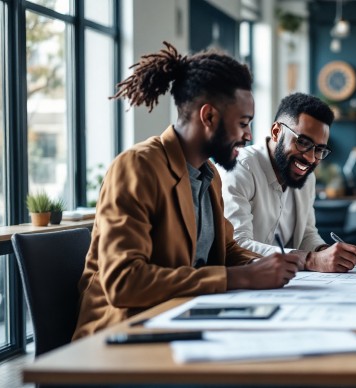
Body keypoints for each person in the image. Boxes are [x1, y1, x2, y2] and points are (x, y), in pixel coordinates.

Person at [73, 42, 299, 340]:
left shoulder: (210, 175)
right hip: (122, 337)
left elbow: (225, 250)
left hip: (184, 321)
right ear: (208, 117)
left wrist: (277, 264)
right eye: (243, 123)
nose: (248, 135)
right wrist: (238, 277)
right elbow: (124, 282)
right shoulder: (137, 167)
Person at [219, 93, 356, 273]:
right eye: (303, 142)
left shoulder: (307, 178)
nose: (311, 158)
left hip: (291, 286)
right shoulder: (239, 169)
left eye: (319, 149)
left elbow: (307, 234)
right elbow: (236, 245)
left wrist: (324, 251)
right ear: (276, 132)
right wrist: (311, 260)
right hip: (246, 285)